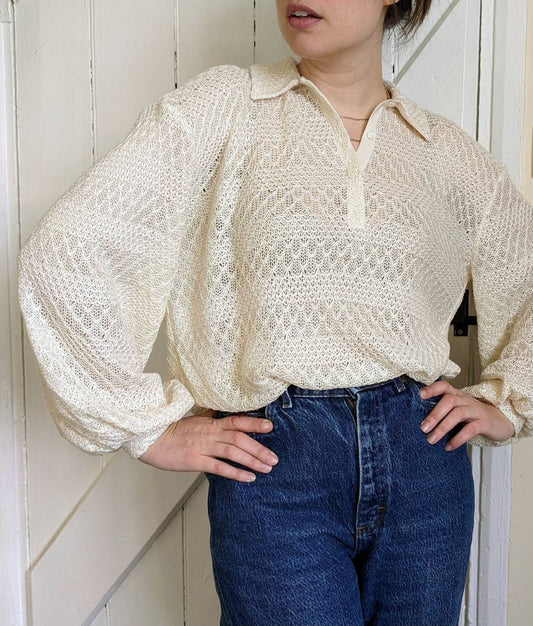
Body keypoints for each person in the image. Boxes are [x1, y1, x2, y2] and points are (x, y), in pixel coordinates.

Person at [17, 0, 533, 624]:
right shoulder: (225, 109)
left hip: (424, 460)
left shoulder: (449, 155)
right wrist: (144, 424)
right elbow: (71, 248)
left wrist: (511, 402)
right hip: (276, 465)